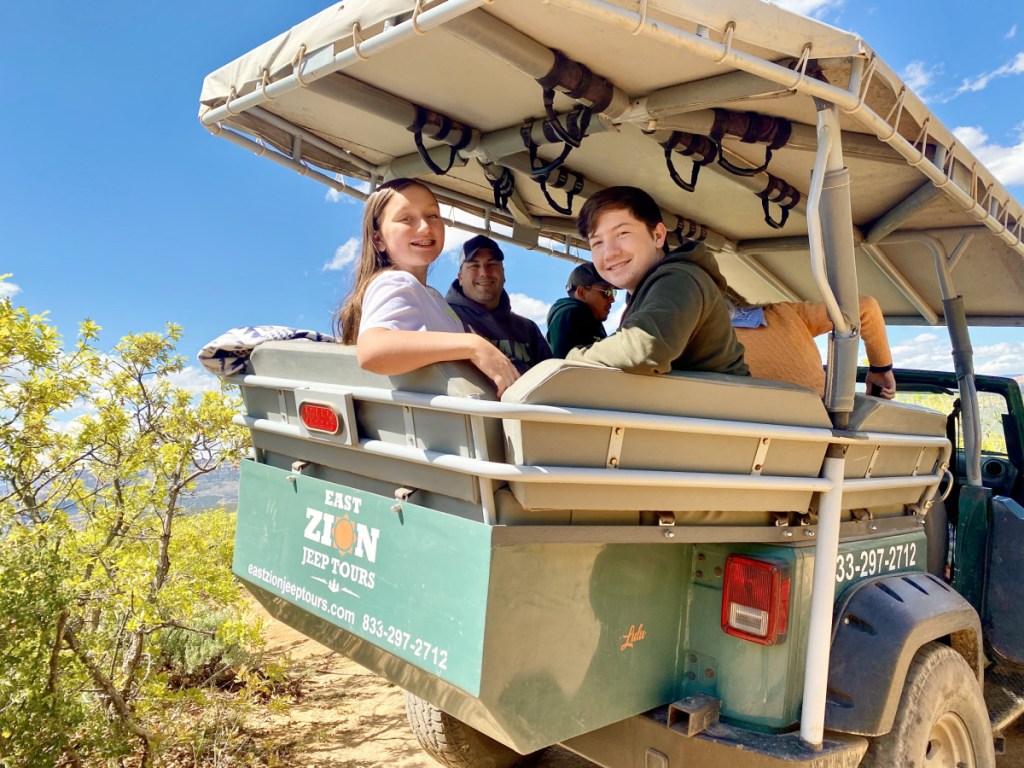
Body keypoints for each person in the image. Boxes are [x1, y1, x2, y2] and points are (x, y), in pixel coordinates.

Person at [334, 178, 520, 395]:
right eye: (406, 218)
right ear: (378, 240)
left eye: (432, 215)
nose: (424, 226)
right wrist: (472, 345)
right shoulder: (395, 281)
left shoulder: (431, 295)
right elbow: (372, 350)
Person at [565, 186, 749, 376]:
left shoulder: (679, 278)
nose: (610, 252)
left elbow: (643, 350)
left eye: (622, 233)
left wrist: (570, 361)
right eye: (597, 243)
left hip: (721, 402)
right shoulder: (650, 290)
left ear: (658, 235)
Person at [725, 288, 896, 398]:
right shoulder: (785, 313)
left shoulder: (705, 339)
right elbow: (866, 306)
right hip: (823, 435)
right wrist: (881, 369)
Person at [445, 234, 552, 374]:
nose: (484, 272)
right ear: (460, 278)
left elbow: (550, 380)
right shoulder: (443, 317)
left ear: (503, 273)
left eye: (491, 264)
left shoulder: (528, 328)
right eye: (474, 266)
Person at [546, 262, 616, 357]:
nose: (612, 299)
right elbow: (567, 367)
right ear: (581, 292)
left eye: (613, 292)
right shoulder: (570, 313)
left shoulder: (593, 320)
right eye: (607, 292)